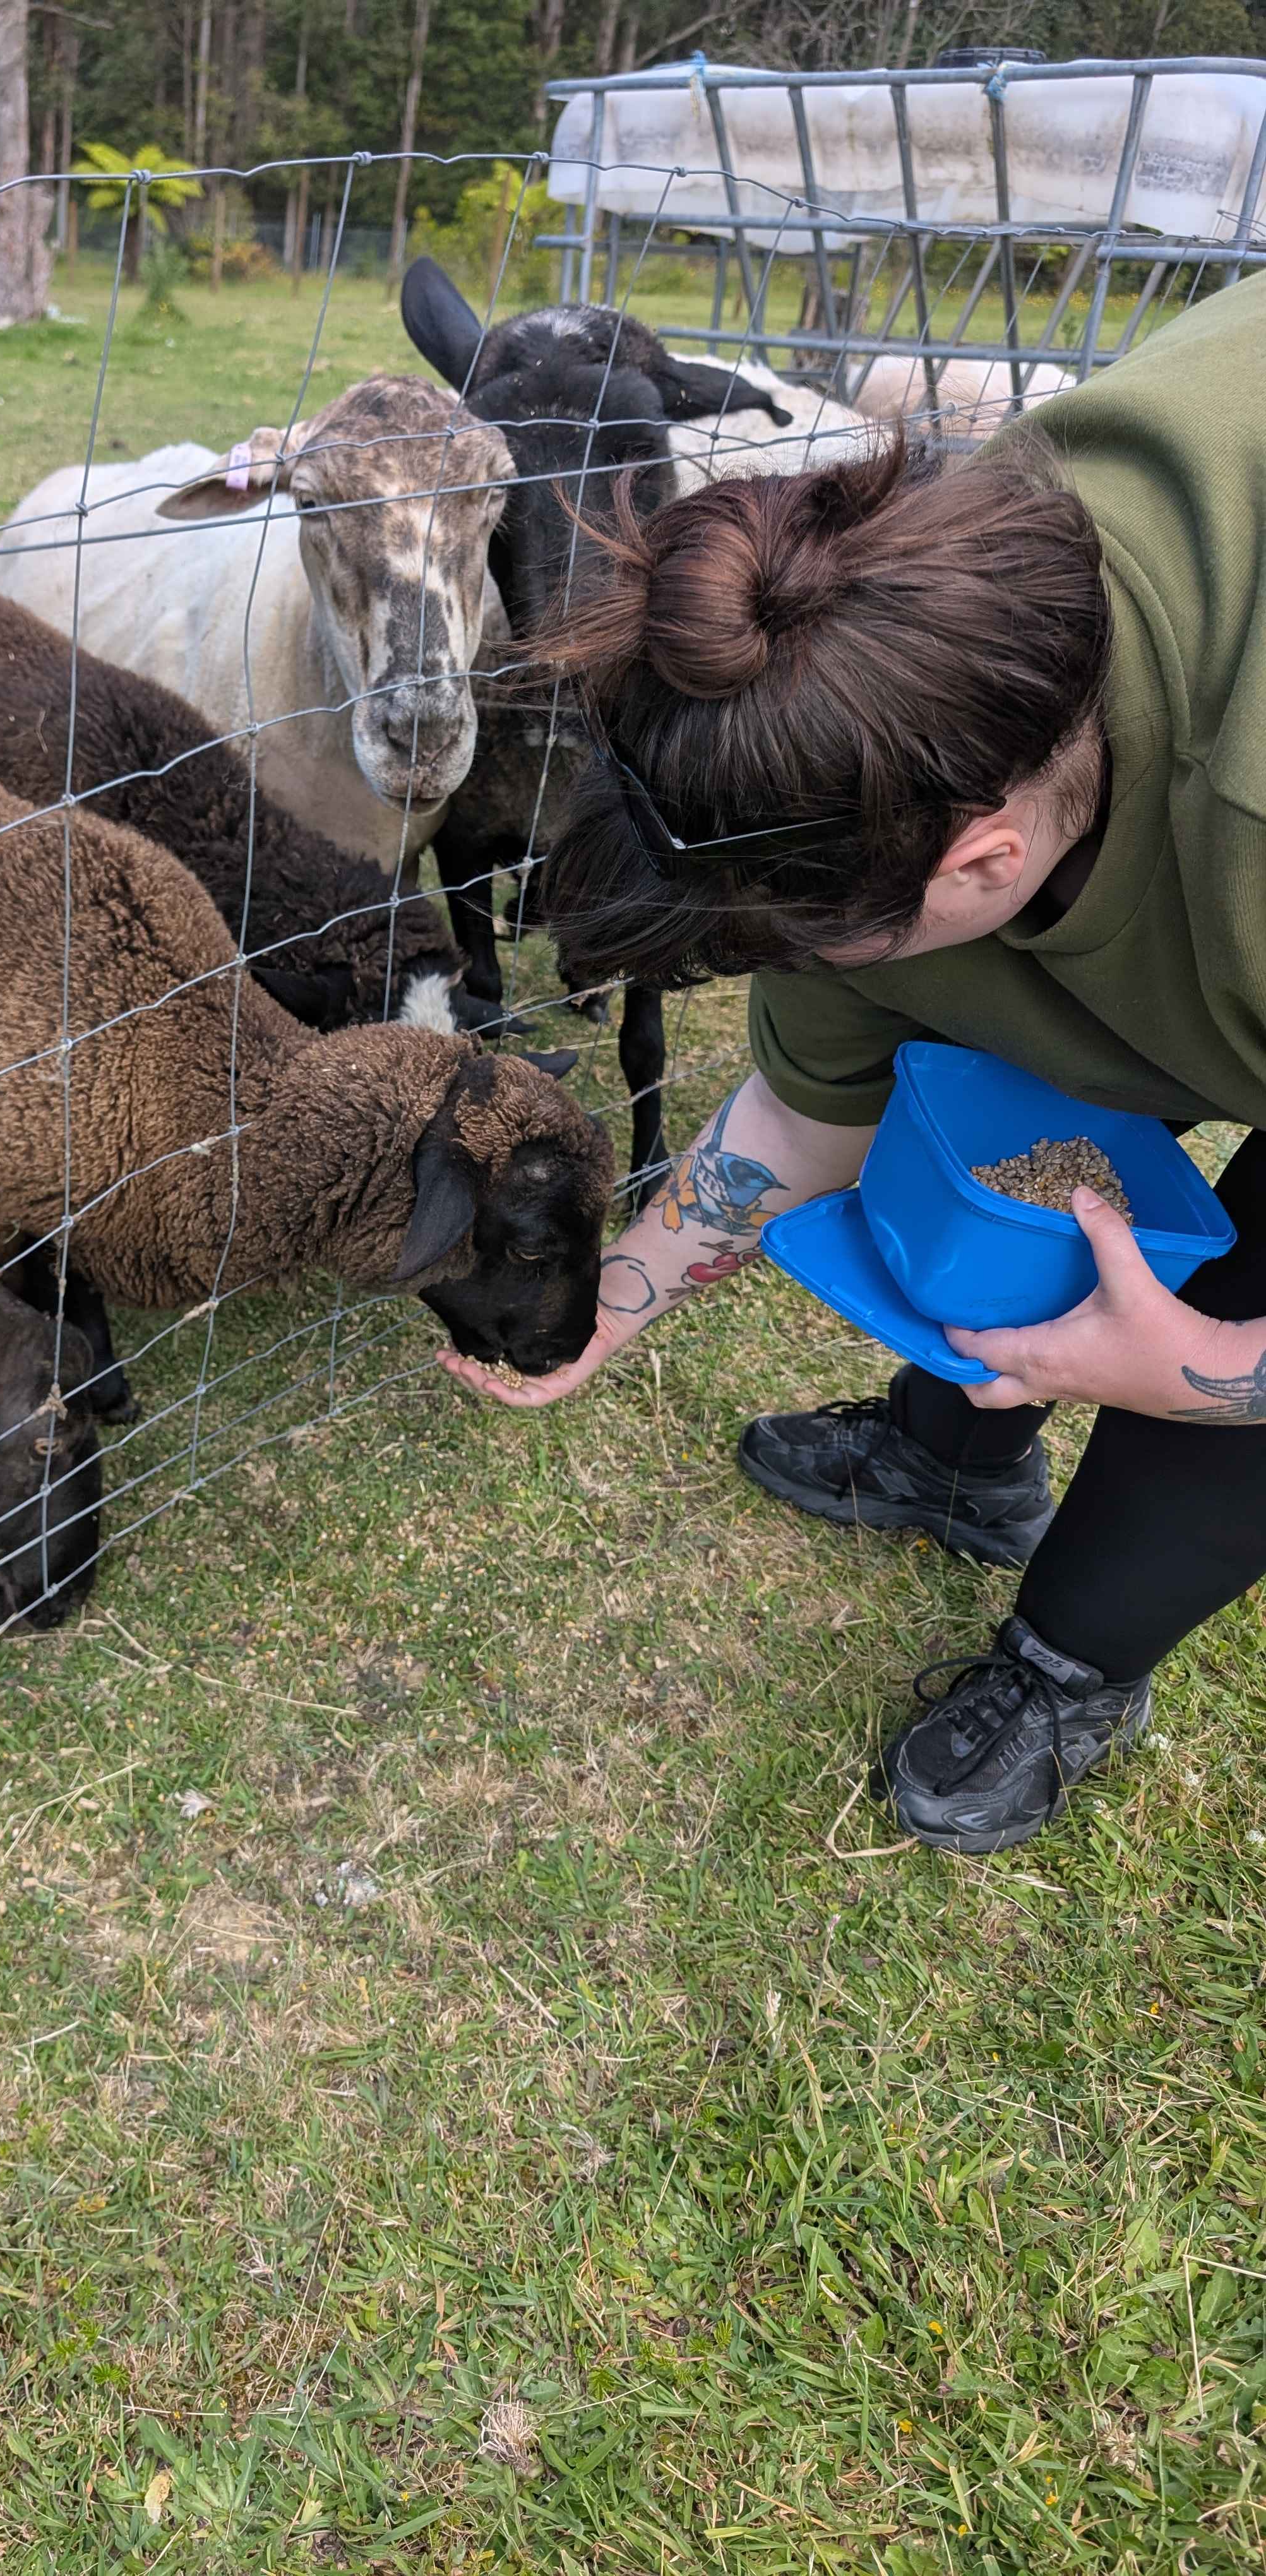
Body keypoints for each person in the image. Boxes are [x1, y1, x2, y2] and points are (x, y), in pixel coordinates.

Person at [443, 266, 1266, 1857]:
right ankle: (958, 1462)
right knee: (990, 1069)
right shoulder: (891, 663)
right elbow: (812, 1107)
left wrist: (1215, 1378)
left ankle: (1072, 1659)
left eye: (802, 937)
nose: (797, 973)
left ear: (982, 860)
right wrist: (611, 1300)